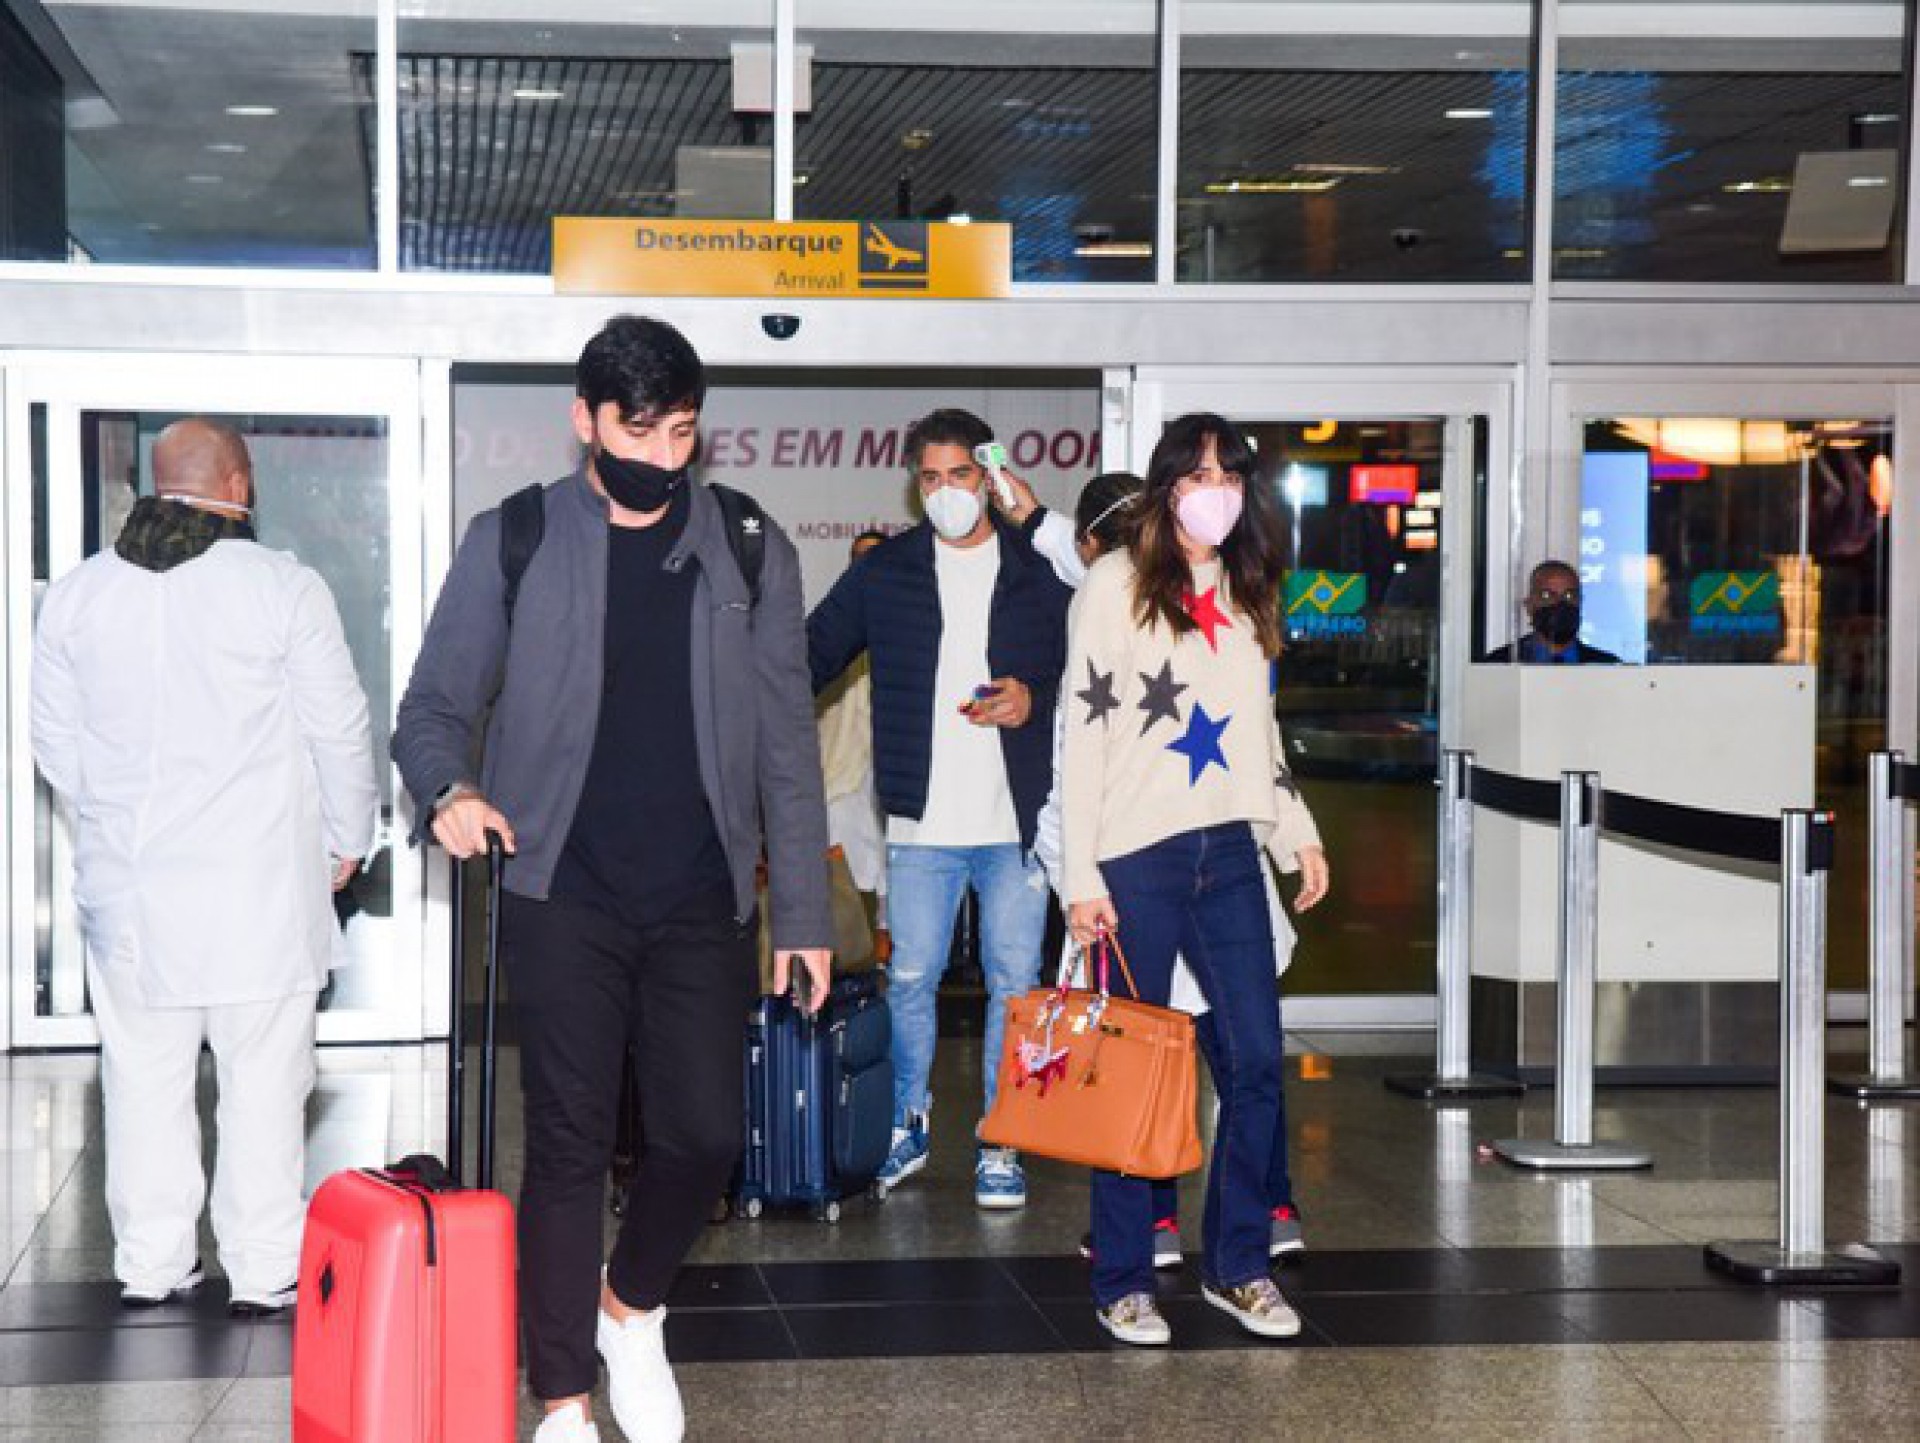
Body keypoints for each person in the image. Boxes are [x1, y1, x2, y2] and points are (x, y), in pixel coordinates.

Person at [392, 316, 833, 1443]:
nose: (662, 453)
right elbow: (432, 708)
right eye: (638, 428)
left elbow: (788, 741)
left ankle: (629, 1307)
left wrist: (807, 918)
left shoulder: (748, 544)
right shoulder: (519, 536)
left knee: (703, 1140)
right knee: (570, 1145)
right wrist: (450, 790)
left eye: (681, 429)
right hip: (561, 891)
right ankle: (566, 1398)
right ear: (583, 420)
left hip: (702, 897)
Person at [31, 418, 377, 1318]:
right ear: (237, 478)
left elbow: (53, 745)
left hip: (132, 898)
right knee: (264, 1084)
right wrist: (350, 835)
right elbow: (339, 726)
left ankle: (151, 1262)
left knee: (143, 1080)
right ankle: (262, 1269)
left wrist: (114, 821)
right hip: (256, 892)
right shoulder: (281, 587)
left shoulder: (76, 595)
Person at [1060, 413, 1330, 1347]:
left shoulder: (1251, 589)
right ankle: (1126, 1278)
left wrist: (1297, 831)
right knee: (1133, 1068)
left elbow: (1262, 730)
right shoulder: (1114, 584)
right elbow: (1081, 735)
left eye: (1230, 475)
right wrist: (1078, 873)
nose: (1214, 489)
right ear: (1167, 484)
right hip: (1137, 855)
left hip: (1230, 855)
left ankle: (1239, 1266)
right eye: (1197, 473)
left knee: (1256, 1062)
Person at [807, 409, 1072, 1210]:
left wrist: (1038, 696)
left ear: (988, 476)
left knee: (1015, 983)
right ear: (915, 484)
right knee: (912, 976)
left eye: (961, 474)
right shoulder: (885, 572)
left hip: (1016, 823)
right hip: (922, 822)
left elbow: (1096, 670)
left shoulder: (1038, 570)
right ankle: (907, 1124)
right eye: (931, 477)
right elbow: (811, 652)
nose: (947, 490)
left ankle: (1003, 1139)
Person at [816, 530, 892, 956]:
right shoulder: (832, 627)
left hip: (895, 774)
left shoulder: (912, 626)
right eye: (858, 559)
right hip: (841, 773)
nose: (866, 568)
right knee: (848, 886)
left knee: (893, 879)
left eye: (875, 559)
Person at [1483, 559, 1621, 663]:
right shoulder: (1499, 664)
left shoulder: (1607, 665)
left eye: (1569, 595)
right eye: (1547, 596)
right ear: (1529, 605)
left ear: (1580, 602)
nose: (1560, 604)